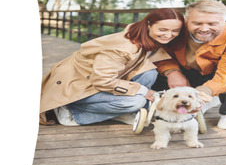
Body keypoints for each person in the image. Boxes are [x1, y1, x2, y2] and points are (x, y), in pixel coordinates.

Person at [39, 8, 187, 132]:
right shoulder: (122, 47)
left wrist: (173, 72)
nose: (169, 35)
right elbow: (101, 80)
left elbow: (161, 58)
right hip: (75, 86)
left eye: (175, 31)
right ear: (149, 24)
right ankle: (70, 111)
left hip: (93, 81)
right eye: (163, 29)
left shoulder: (140, 34)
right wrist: (142, 90)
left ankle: (117, 111)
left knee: (149, 73)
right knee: (136, 102)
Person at [153, 0, 226, 129]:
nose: (204, 29)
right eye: (197, 23)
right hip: (192, 70)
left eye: (212, 24)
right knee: (153, 73)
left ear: (223, 22)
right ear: (186, 20)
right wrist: (172, 72)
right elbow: (161, 53)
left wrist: (204, 91)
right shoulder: (174, 29)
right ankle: (152, 106)